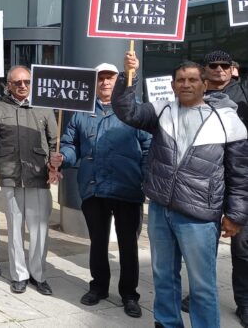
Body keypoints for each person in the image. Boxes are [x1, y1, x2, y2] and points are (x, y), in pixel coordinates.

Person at [112, 52, 248, 328]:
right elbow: (127, 111)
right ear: (173, 85)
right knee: (163, 277)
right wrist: (129, 76)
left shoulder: (227, 119)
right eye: (180, 80)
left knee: (202, 285)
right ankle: (167, 322)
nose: (185, 84)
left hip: (199, 215)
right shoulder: (162, 110)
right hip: (161, 210)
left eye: (192, 80)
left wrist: (235, 214)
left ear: (204, 84)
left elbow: (240, 173)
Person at [49, 63, 151, 317]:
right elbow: (72, 144)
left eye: (111, 78)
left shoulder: (135, 111)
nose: (105, 82)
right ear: (94, 83)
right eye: (101, 78)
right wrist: (64, 157)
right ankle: (99, 288)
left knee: (128, 245)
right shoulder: (81, 112)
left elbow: (150, 148)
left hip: (127, 188)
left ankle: (129, 294)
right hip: (93, 188)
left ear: (119, 81)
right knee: (98, 242)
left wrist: (146, 179)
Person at [0, 66, 56, 294]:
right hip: (10, 175)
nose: (23, 86)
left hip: (38, 176)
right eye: (17, 82)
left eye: (27, 82)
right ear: (8, 84)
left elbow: (53, 142)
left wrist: (55, 163)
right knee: (15, 229)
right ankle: (19, 274)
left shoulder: (44, 107)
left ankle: (38, 275)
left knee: (39, 231)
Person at [200, 50, 248, 325]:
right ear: (204, 70)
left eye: (224, 65)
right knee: (202, 246)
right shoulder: (193, 97)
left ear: (233, 69)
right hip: (204, 183)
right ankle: (201, 294)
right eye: (213, 65)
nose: (219, 69)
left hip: (239, 184)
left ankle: (244, 301)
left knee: (242, 248)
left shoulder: (244, 97)